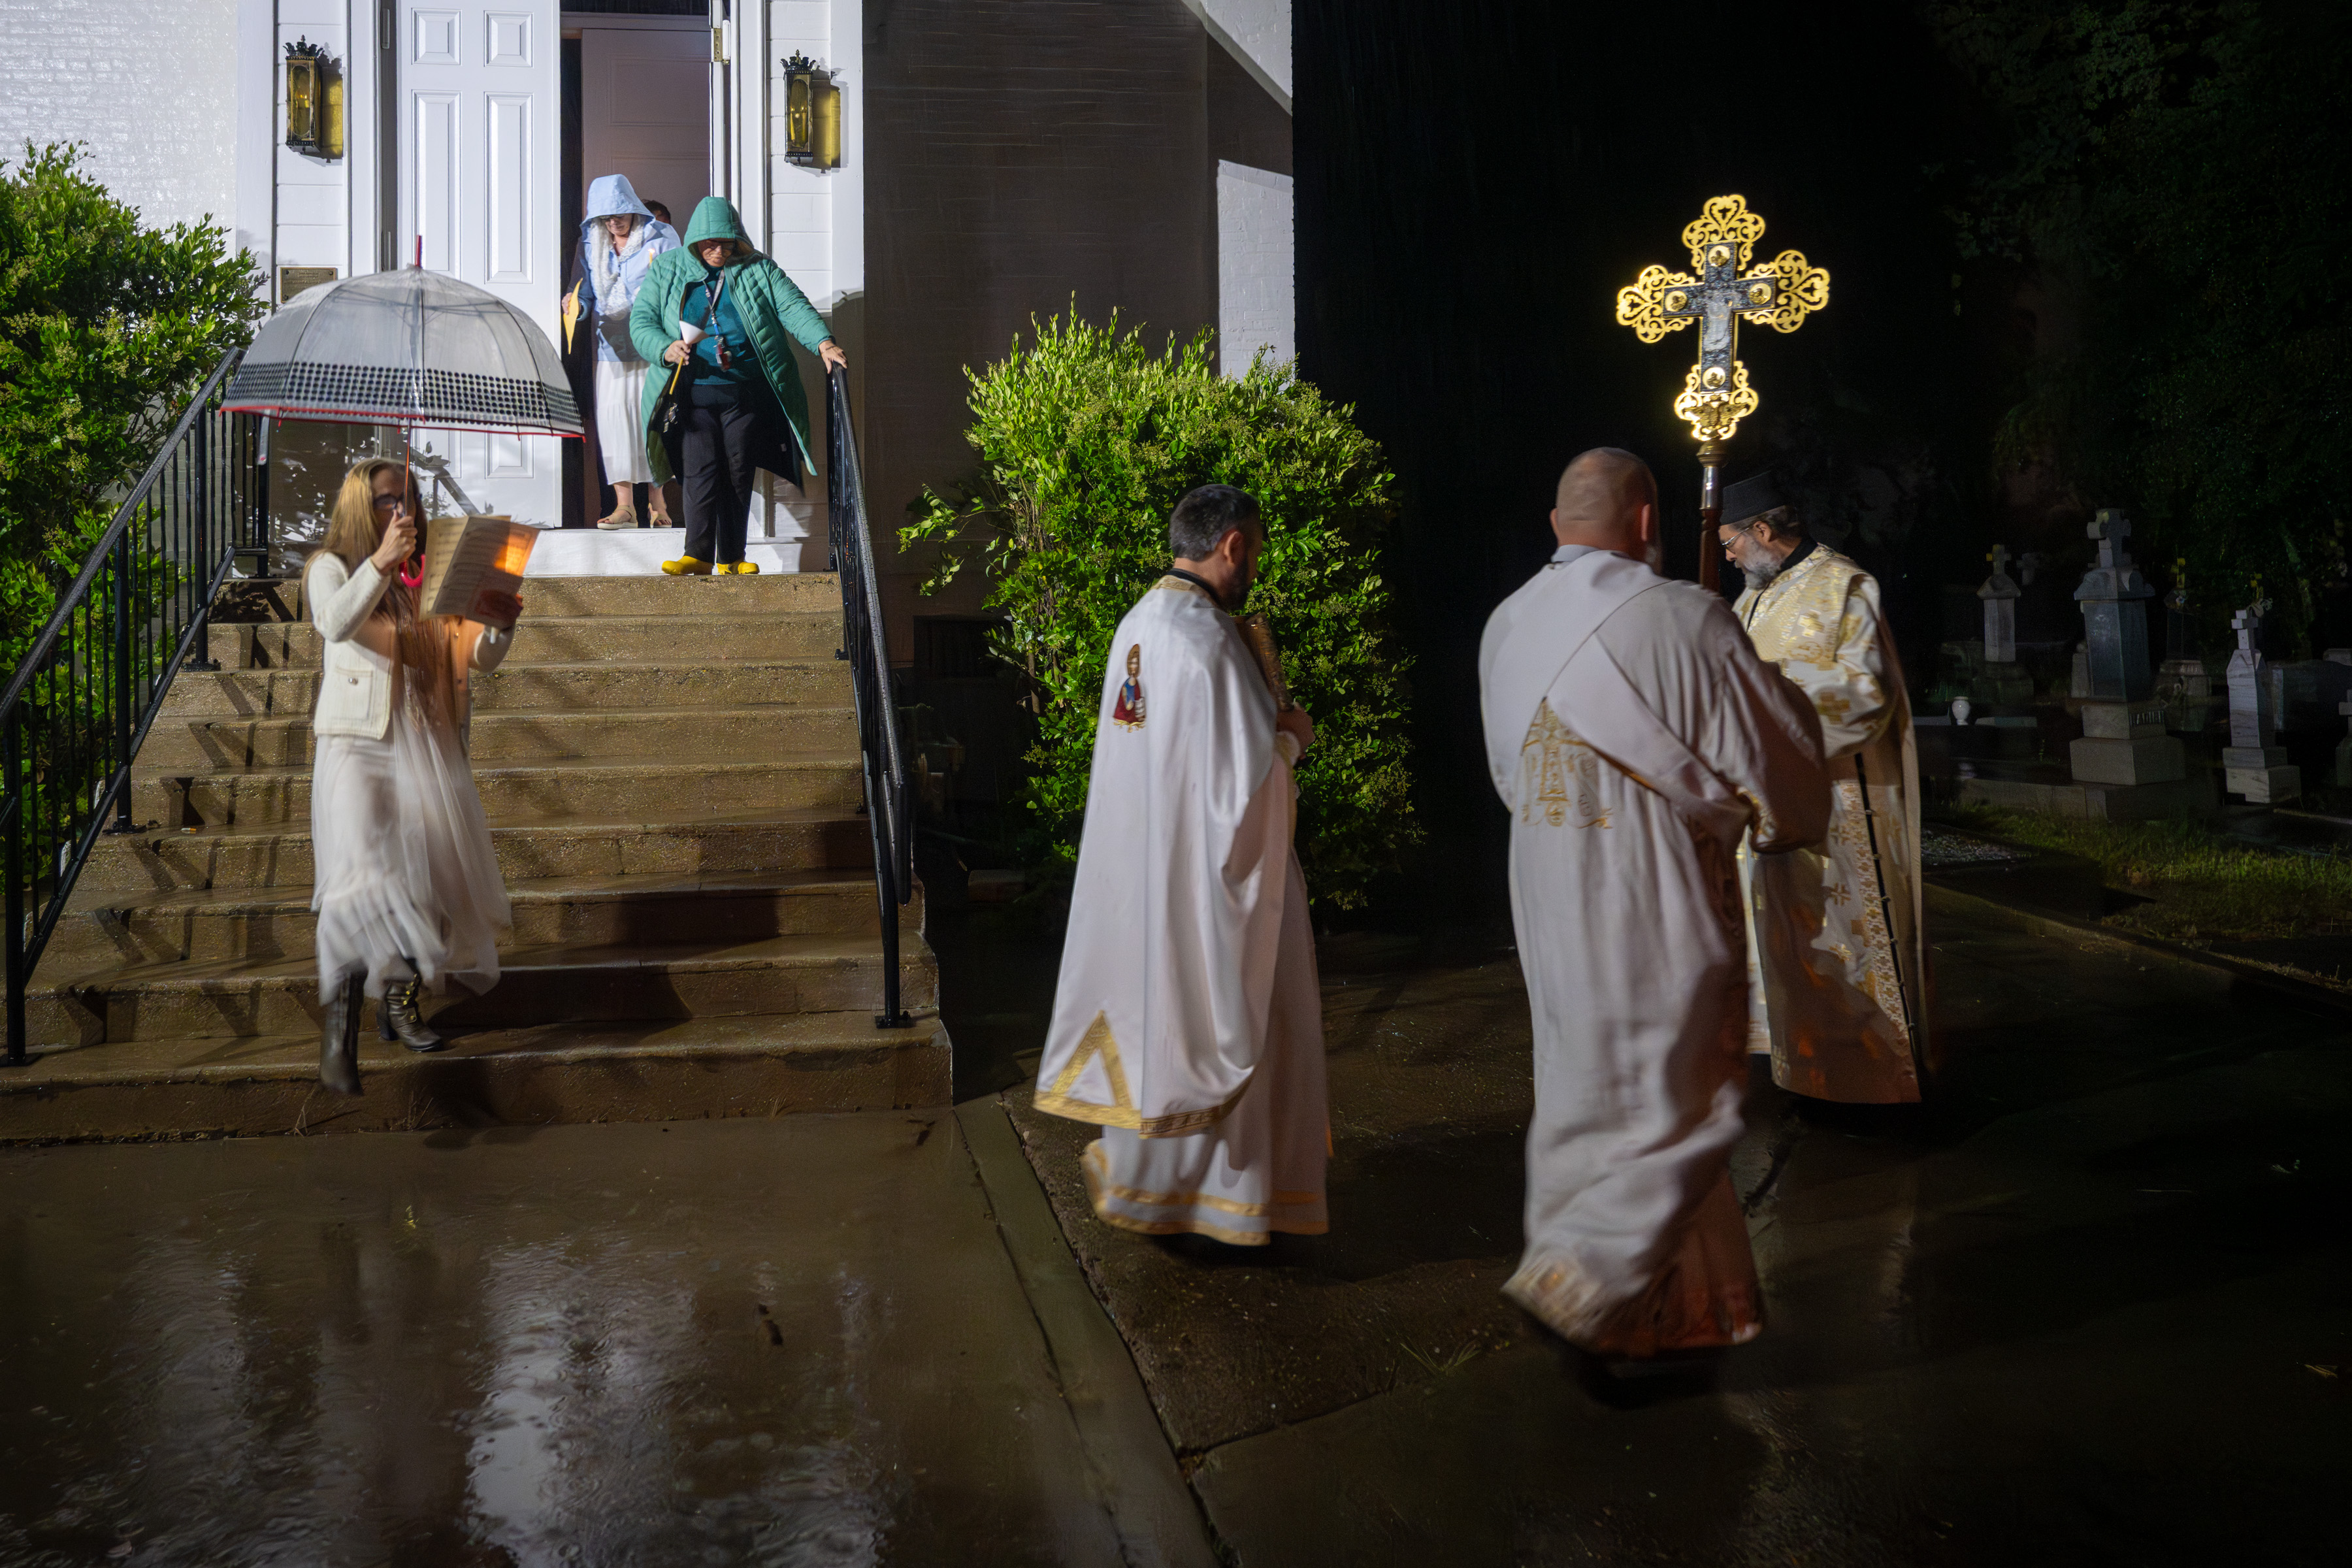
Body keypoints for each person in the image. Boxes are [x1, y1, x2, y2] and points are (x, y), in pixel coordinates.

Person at [1477, 448, 1829, 1366]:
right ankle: (1584, 1278)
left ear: (1557, 526)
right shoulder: (1686, 617)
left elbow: (1509, 774)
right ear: (1645, 523)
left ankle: (1676, 1313)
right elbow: (1780, 759)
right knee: (1675, 1089)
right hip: (1652, 887)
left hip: (1547, 884)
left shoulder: (1506, 623)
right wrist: (1781, 821)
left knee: (1582, 1086)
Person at [1032, 485, 1328, 1245]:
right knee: (1246, 1013)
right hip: (1204, 891)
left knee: (1155, 1022)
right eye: (1254, 552)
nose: (1254, 569)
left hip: (1141, 882)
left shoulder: (1139, 625)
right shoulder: (1210, 643)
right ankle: (1225, 1203)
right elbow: (1243, 797)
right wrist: (1291, 739)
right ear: (1232, 545)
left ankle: (1150, 1189)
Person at [306, 459, 522, 1094]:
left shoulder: (434, 571)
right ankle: (339, 1036)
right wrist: (381, 562)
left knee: (425, 875)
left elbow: (474, 655)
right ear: (359, 506)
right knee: (357, 879)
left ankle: (398, 1003)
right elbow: (334, 623)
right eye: (386, 500)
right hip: (359, 742)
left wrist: (501, 623)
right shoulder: (332, 566)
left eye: (408, 498)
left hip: (428, 736)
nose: (402, 510)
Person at [1718, 470, 1929, 1104]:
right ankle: (1796, 1065)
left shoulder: (1844, 585)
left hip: (1841, 801)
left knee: (1844, 936)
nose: (1727, 557)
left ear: (1763, 530)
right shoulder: (1751, 600)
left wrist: (1771, 708)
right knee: (1786, 940)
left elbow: (1866, 694)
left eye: (1731, 543)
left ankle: (1867, 1080)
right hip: (1769, 800)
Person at [630, 197, 848, 576]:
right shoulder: (667, 268)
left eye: (727, 244)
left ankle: (731, 558)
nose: (719, 251)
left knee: (738, 471)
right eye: (711, 244)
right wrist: (666, 348)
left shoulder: (759, 268)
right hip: (691, 392)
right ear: (696, 240)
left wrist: (823, 343)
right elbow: (642, 321)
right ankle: (697, 555)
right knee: (699, 472)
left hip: (744, 392)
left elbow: (793, 306)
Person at [567, 174, 679, 530]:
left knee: (654, 421)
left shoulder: (661, 237)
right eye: (606, 216)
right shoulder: (590, 243)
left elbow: (677, 288)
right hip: (610, 347)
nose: (614, 222)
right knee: (615, 424)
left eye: (619, 213)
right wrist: (574, 305)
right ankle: (625, 507)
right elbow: (584, 294)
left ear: (632, 208)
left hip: (652, 343)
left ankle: (658, 505)